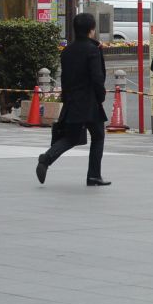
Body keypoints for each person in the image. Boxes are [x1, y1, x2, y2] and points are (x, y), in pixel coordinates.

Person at [36, 13, 110, 186]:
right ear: (92, 30)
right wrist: (101, 96)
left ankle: (46, 159)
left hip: (72, 101)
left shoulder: (67, 51)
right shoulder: (93, 49)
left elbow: (65, 78)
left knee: (71, 138)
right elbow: (97, 77)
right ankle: (93, 176)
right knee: (98, 136)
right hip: (90, 101)